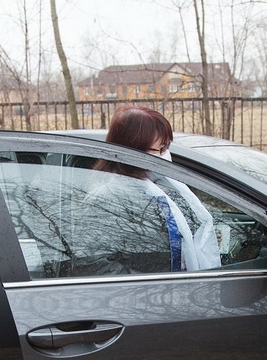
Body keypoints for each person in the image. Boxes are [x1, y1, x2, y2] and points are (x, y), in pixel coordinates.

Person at [93, 106, 221, 271]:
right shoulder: (107, 199)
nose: (165, 154)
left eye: (166, 147)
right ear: (134, 149)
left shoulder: (161, 187)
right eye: (159, 149)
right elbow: (97, 263)